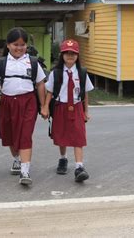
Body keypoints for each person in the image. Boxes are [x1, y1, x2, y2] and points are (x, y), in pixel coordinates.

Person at [0, 27, 46, 186]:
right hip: (7, 103)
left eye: (22, 45)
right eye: (15, 44)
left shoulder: (33, 62)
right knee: (10, 136)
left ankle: (25, 171)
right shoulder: (2, 63)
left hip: (28, 103)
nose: (19, 48)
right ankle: (17, 159)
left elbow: (40, 84)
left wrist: (44, 106)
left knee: (25, 135)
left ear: (26, 46)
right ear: (8, 45)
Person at [40, 39, 94, 182]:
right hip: (60, 107)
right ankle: (63, 159)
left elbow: (85, 93)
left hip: (76, 107)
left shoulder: (82, 73)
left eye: (73, 54)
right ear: (62, 55)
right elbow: (49, 92)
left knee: (78, 136)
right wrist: (45, 107)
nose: (70, 56)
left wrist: (86, 111)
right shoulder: (56, 73)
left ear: (77, 56)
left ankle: (79, 167)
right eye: (67, 53)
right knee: (62, 136)